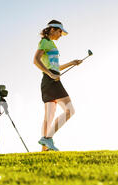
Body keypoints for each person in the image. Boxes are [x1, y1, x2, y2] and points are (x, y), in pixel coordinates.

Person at [33, 20, 82, 151]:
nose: (61, 35)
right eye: (60, 32)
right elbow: (35, 60)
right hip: (50, 80)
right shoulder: (45, 42)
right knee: (70, 110)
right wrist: (50, 74)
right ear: (53, 29)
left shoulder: (52, 44)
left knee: (49, 116)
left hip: (50, 80)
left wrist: (72, 63)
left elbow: (56, 67)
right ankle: (47, 139)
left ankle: (44, 150)